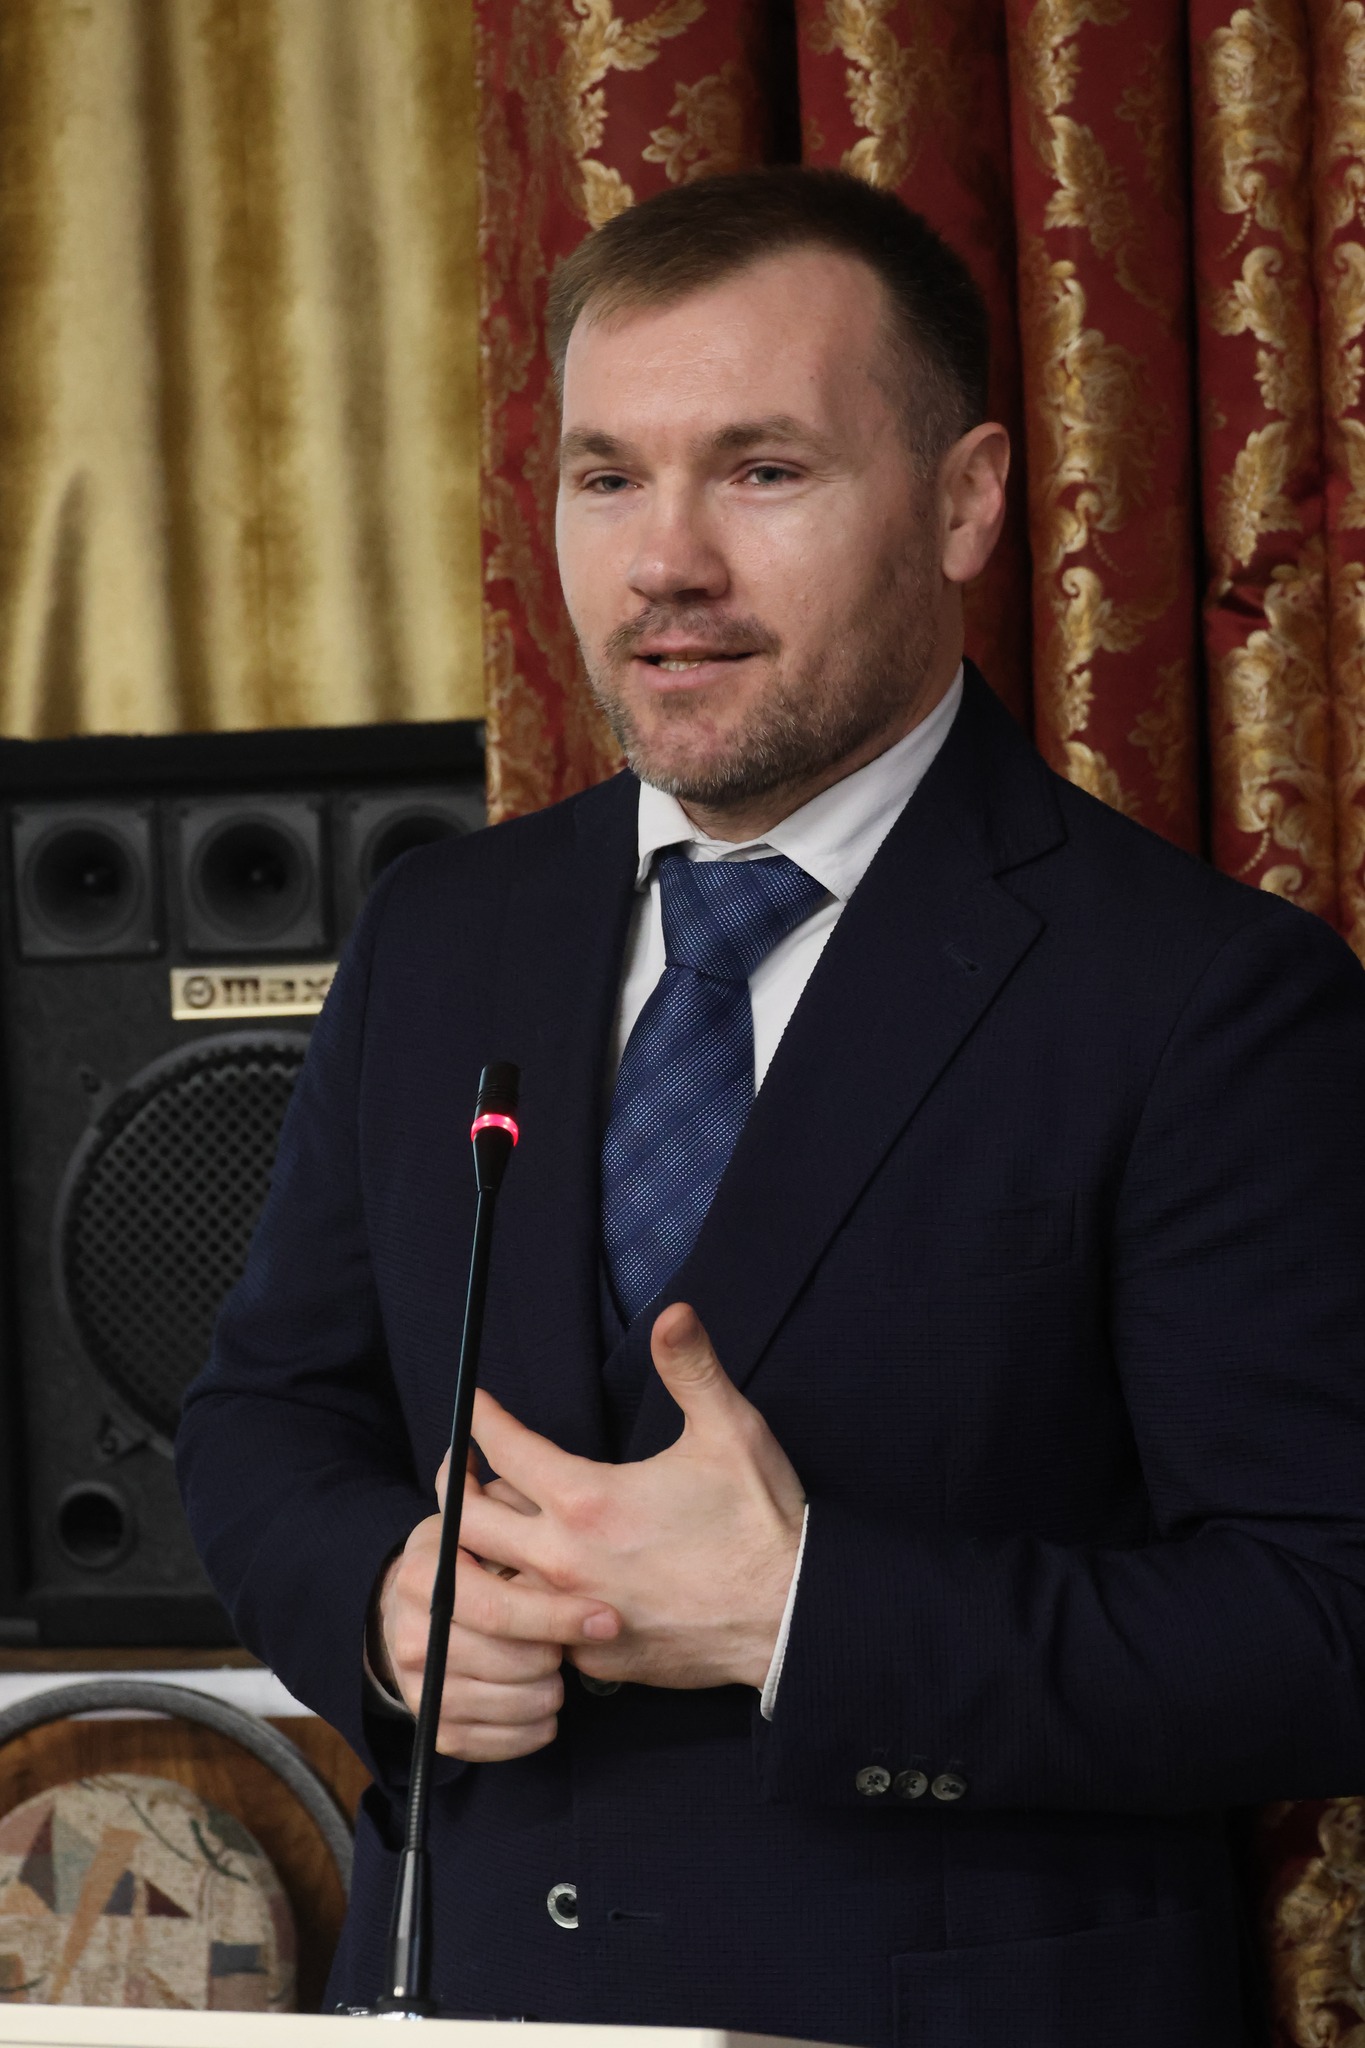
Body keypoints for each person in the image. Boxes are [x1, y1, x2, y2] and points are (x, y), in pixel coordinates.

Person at [177, 169, 1365, 2048]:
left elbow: (1324, 1621)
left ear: (965, 501)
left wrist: (803, 1615)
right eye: (606, 476)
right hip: (458, 1996)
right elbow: (268, 1417)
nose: (665, 561)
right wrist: (386, 1607)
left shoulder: (1206, 994)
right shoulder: (443, 930)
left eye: (762, 471)